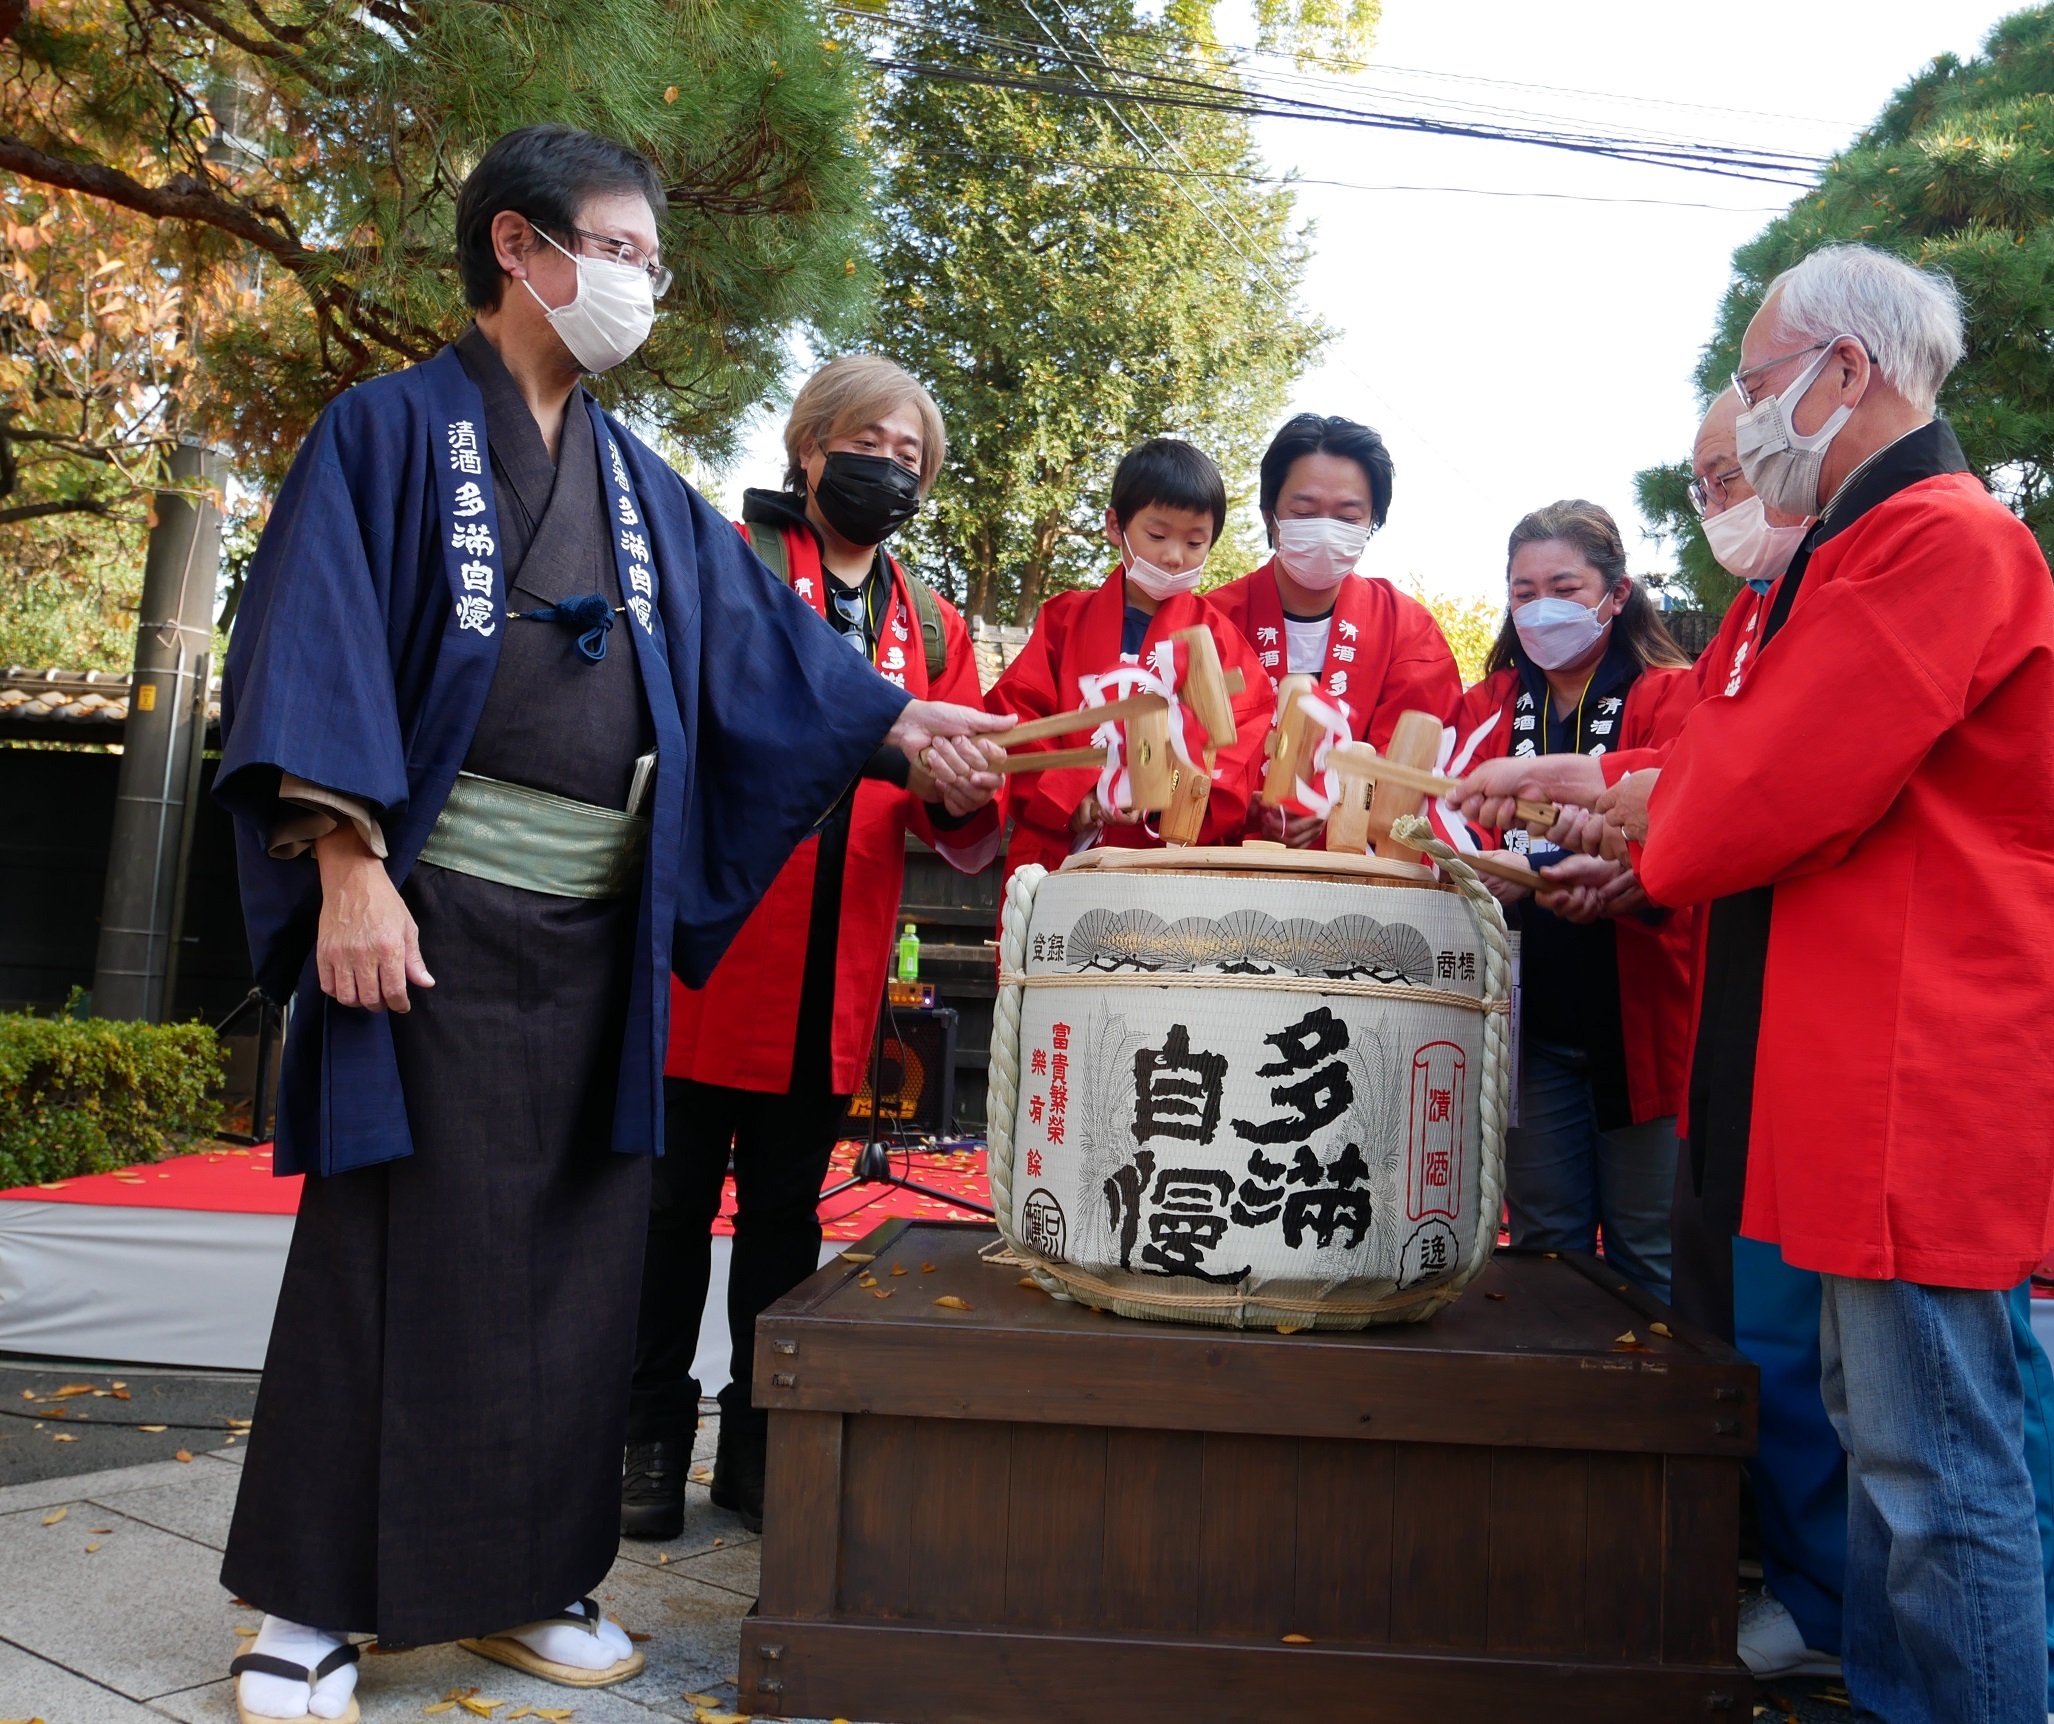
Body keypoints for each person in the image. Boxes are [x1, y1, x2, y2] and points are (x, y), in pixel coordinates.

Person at [211, 126, 1008, 1720]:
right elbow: (311, 648)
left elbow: (764, 671)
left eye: (650, 257)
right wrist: (345, 864)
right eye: (623, 249)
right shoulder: (384, 434)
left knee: (582, 1258)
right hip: (425, 911)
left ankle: (531, 1577)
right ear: (521, 248)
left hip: (597, 936)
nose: (643, 280)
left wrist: (902, 725)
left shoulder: (645, 495)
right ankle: (308, 1606)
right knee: (394, 1248)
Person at [1509, 244, 2054, 1722]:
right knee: (1881, 1442)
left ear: (1844, 372)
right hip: (1843, 1047)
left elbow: (1770, 783)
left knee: (1936, 1460)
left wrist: (1616, 802)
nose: (1747, 422)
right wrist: (1611, 785)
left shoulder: (1942, 539)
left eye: (1759, 384)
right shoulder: (1850, 553)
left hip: (1915, 1054)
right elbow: (1732, 760)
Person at [619, 356, 1001, 1540]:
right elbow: (693, 711)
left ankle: (765, 1443)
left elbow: (960, 801)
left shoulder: (929, 621)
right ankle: (641, 1439)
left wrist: (960, 776)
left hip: (836, 958)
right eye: (869, 441)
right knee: (669, 1208)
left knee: (789, 1213)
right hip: (715, 938)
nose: (886, 466)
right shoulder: (728, 565)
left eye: (909, 457)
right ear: (809, 443)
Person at [1447, 502, 1695, 1301]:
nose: (1539, 607)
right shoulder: (1486, 709)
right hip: (1531, 1020)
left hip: (1645, 1012)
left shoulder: (1674, 698)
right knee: (1545, 1242)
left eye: (1563, 586)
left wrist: (1644, 882)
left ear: (1615, 595)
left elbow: (1703, 831)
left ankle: (1659, 1419)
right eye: (1523, 591)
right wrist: (1471, 871)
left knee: (1650, 1245)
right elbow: (1437, 824)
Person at [986, 438, 1275, 882]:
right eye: (1157, 535)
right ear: (1115, 526)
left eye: (1195, 542)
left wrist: (1179, 802)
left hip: (1172, 865)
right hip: (1065, 857)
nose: (1174, 556)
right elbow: (1018, 716)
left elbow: (1246, 734)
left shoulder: (1217, 639)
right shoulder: (1064, 620)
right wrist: (1073, 794)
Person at [1202, 413, 1461, 844]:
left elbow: (1415, 763)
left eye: (1347, 517)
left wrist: (1339, 805)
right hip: (1227, 868)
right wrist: (1239, 797)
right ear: (1271, 516)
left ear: (1372, 522)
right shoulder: (1212, 621)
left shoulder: (1407, 629)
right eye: (1304, 512)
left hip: (1355, 877)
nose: (1325, 531)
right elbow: (1187, 743)